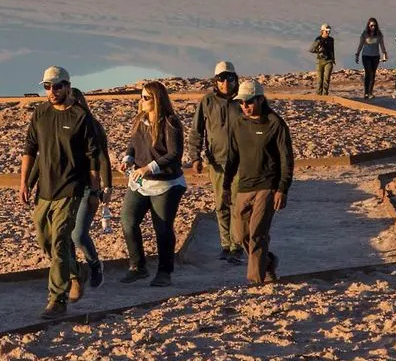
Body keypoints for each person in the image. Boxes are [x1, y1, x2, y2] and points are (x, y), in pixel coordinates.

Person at [19, 65, 105, 319]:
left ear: (68, 86)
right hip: (45, 189)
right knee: (44, 239)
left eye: (57, 86)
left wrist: (95, 191)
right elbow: (30, 149)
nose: (52, 91)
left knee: (59, 241)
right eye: (47, 87)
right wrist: (24, 182)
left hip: (71, 188)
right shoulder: (41, 113)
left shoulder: (80, 117)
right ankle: (75, 272)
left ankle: (57, 300)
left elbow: (93, 158)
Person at [223, 79, 294, 286]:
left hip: (268, 186)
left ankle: (255, 281)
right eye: (241, 103)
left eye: (249, 101)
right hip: (244, 186)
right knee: (240, 234)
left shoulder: (275, 123)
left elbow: (286, 159)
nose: (244, 106)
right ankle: (268, 262)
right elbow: (232, 157)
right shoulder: (239, 124)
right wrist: (226, 185)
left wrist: (282, 189)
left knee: (257, 234)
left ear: (261, 99)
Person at [119, 81, 186, 286]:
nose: (142, 101)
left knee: (163, 228)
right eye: (141, 97)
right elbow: (134, 144)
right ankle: (138, 266)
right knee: (128, 220)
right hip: (140, 182)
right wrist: (128, 159)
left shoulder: (170, 123)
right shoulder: (140, 120)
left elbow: (175, 154)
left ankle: (164, 272)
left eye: (146, 98)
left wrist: (150, 167)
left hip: (166, 184)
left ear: (157, 99)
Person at [186, 60, 245, 264]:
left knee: (237, 204)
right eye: (221, 78)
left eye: (229, 77)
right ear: (215, 81)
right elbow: (196, 131)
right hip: (217, 162)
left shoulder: (243, 100)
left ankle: (237, 246)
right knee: (221, 204)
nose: (225, 82)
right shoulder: (207, 102)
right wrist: (195, 156)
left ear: (235, 79)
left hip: (241, 162)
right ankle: (225, 245)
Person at [67, 87, 112, 297]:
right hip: (67, 188)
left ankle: (94, 265)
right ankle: (72, 274)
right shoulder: (62, 126)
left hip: (88, 187)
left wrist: (106, 187)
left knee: (78, 234)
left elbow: (103, 158)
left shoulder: (92, 126)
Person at [353, 17, 388, 99]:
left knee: (373, 74)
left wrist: (384, 53)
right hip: (366, 56)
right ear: (368, 25)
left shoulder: (379, 34)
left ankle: (370, 92)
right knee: (368, 73)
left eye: (374, 25)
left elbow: (382, 44)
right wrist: (357, 54)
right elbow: (361, 45)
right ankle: (366, 93)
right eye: (371, 25)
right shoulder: (365, 34)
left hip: (375, 56)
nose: (373, 27)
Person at [309, 24, 336, 95]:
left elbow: (332, 50)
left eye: (329, 31)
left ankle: (325, 94)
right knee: (320, 79)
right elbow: (311, 49)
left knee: (326, 79)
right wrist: (319, 51)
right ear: (322, 31)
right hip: (320, 61)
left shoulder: (331, 40)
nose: (328, 32)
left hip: (329, 61)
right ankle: (318, 94)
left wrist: (333, 59)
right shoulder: (318, 39)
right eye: (326, 31)